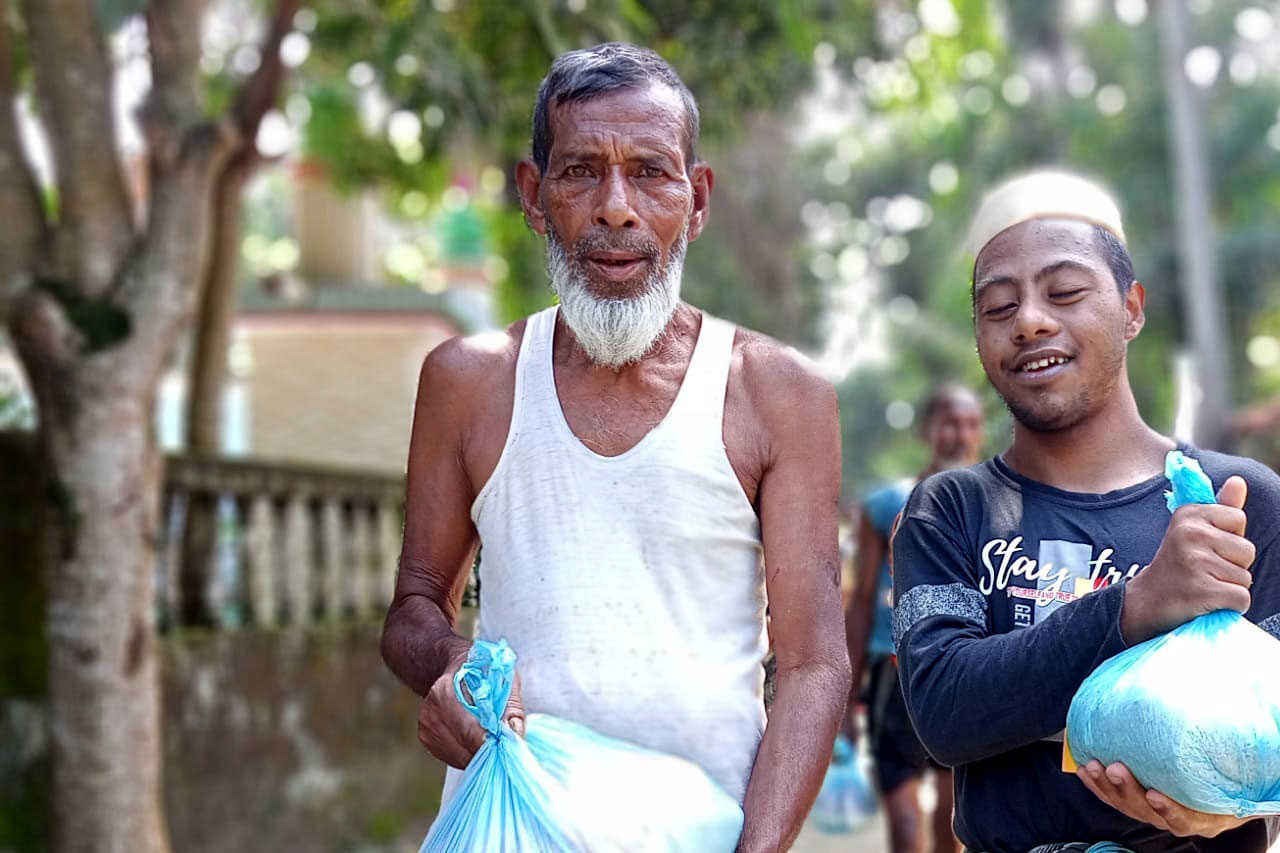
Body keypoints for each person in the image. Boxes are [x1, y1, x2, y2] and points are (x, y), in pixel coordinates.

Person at [379, 42, 850, 852]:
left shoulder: (777, 394)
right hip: (509, 829)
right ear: (533, 196)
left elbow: (813, 664)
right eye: (580, 172)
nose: (616, 208)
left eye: (651, 172)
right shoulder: (470, 381)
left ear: (696, 201)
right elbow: (414, 606)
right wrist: (450, 661)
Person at [890, 169, 1280, 853]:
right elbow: (945, 710)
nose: (1031, 321)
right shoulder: (949, 509)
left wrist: (1238, 803)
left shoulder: (1237, 503)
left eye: (1065, 291)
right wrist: (1137, 604)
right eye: (998, 307)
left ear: (1132, 307)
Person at [845, 384, 983, 853]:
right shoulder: (886, 506)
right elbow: (862, 600)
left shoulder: (994, 506)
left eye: (969, 424)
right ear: (926, 430)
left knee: (953, 828)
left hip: (964, 676)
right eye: (948, 421)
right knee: (906, 826)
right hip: (895, 676)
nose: (958, 435)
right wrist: (845, 700)